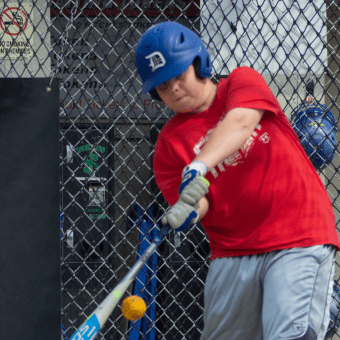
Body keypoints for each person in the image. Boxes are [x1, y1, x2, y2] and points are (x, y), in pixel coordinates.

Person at [135, 21, 340, 340]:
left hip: (297, 232)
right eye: (163, 86)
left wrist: (200, 165)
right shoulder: (168, 145)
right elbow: (200, 199)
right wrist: (190, 208)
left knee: (291, 335)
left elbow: (242, 122)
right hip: (232, 250)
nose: (174, 88)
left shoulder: (240, 83)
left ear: (199, 63)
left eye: (179, 75)